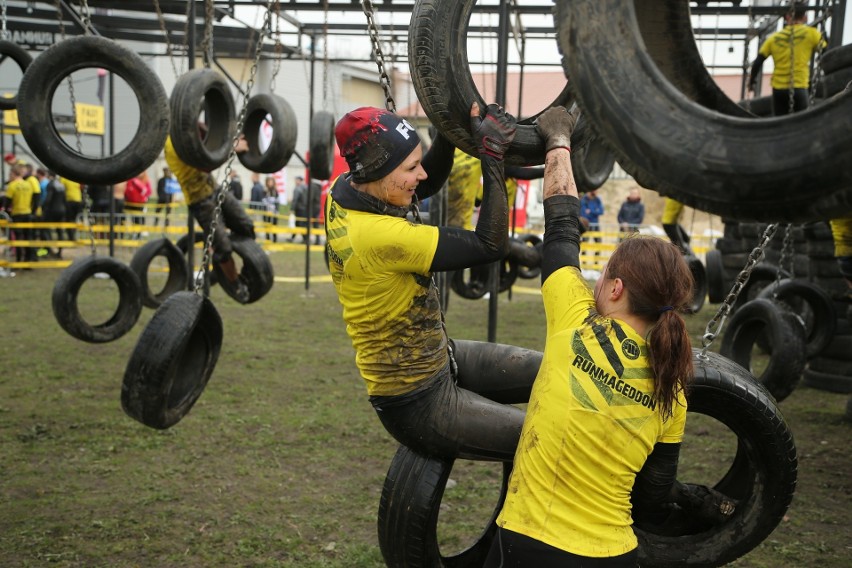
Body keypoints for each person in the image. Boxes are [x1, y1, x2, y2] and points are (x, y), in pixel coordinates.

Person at [485, 106, 695, 567]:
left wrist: (558, 138)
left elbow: (561, 224)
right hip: (615, 554)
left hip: (528, 542)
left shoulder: (574, 321)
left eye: (602, 278)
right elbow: (654, 499)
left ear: (615, 288)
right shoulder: (673, 387)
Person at [325, 104, 542, 462]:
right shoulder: (379, 237)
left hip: (440, 357)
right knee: (543, 440)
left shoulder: (346, 189)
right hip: (418, 403)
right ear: (379, 173)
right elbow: (490, 245)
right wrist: (492, 156)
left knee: (555, 374)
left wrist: (447, 124)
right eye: (411, 168)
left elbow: (432, 180)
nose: (421, 174)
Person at [163, 131, 256, 304]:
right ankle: (236, 285)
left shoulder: (189, 129)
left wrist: (231, 134)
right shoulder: (173, 144)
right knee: (223, 246)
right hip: (199, 200)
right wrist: (232, 147)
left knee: (247, 226)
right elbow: (204, 163)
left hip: (215, 189)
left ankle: (236, 272)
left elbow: (212, 133)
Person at [747, 0, 827, 116]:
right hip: (799, 87)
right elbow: (826, 52)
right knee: (802, 122)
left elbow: (758, 61)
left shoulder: (774, 39)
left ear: (787, 17)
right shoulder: (812, 34)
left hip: (779, 89)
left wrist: (752, 82)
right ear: (805, 17)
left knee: (780, 123)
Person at [2, 164, 39, 262]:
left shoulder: (12, 185)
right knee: (28, 238)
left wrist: (5, 211)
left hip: (17, 214)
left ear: (14, 174)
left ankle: (19, 261)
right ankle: (28, 260)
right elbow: (35, 199)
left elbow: (7, 202)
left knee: (18, 239)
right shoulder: (28, 184)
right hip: (28, 213)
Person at [41, 171, 67, 258]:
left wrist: (43, 207)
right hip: (61, 210)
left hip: (52, 210)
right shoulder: (61, 184)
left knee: (44, 228)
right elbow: (64, 199)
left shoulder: (51, 184)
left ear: (49, 175)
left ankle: (48, 249)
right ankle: (60, 253)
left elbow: (48, 198)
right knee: (60, 231)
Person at [124, 170, 152, 238]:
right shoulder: (132, 180)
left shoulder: (145, 180)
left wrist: (144, 197)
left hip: (141, 204)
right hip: (131, 204)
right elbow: (127, 190)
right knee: (134, 219)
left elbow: (148, 191)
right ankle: (135, 233)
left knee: (140, 219)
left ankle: (140, 233)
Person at [262, 175, 280, 243]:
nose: (270, 183)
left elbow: (277, 201)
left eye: (271, 182)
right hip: (267, 211)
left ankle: (275, 239)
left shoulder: (275, 191)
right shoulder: (265, 190)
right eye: (269, 182)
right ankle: (268, 239)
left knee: (274, 225)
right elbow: (263, 200)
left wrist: (276, 209)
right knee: (267, 225)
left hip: (274, 211)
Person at [290, 175, 307, 241]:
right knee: (300, 224)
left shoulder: (297, 189)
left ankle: (305, 239)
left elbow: (295, 200)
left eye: (296, 180)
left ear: (299, 181)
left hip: (299, 209)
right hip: (305, 209)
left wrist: (292, 209)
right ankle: (293, 238)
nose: (295, 181)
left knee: (299, 224)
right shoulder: (305, 187)